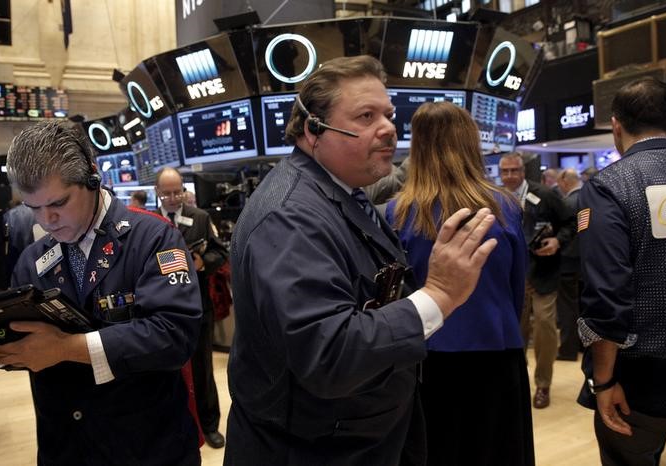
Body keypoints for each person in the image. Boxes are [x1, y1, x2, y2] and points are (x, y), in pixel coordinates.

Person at [224, 55, 498, 465]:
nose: (388, 127)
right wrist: (438, 295)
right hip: (314, 448)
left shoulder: (340, 194)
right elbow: (329, 354)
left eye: (388, 114)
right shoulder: (290, 217)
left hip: (357, 435)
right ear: (313, 129)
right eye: (366, 116)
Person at [0, 120, 203, 465]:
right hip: (65, 448)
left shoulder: (153, 238)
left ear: (92, 176)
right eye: (34, 208)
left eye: (58, 202)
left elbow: (174, 335)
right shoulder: (33, 259)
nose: (47, 220)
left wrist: (65, 348)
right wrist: (10, 346)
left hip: (145, 447)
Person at [386, 102, 533, 466]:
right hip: (497, 349)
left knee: (437, 450)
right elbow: (517, 290)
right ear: (471, 142)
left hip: (427, 357)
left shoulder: (397, 213)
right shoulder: (505, 207)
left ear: (417, 146)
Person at [577, 77, 666, 465]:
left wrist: (603, 380)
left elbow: (606, 294)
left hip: (639, 381)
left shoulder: (608, 187)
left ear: (616, 126)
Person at [155, 167, 228, 449]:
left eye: (178, 192)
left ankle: (209, 425)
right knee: (167, 372)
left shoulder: (200, 217)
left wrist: (202, 263)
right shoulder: (147, 222)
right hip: (162, 310)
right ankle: (177, 425)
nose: (173, 198)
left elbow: (220, 252)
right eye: (167, 193)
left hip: (198, 307)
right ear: (157, 193)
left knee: (202, 369)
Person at [499, 152, 573, 409]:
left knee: (544, 325)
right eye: (505, 171)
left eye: (514, 171)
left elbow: (571, 221)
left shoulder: (545, 194)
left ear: (523, 171)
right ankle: (516, 378)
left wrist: (558, 241)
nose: (509, 176)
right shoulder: (494, 198)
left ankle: (543, 384)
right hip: (510, 275)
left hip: (543, 271)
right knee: (515, 329)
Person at [554, 168, 582, 361]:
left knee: (567, 308)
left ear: (564, 181)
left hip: (567, 261)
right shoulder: (588, 198)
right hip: (582, 261)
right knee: (579, 305)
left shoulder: (568, 203)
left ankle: (568, 349)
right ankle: (579, 344)